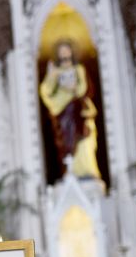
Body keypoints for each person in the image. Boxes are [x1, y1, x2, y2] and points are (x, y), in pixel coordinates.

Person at [39, 40, 102, 181]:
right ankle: (71, 171)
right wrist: (51, 76)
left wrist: (74, 87)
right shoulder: (55, 72)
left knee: (84, 142)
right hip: (63, 113)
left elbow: (83, 88)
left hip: (79, 111)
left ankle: (86, 170)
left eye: (66, 49)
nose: (64, 53)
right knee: (67, 144)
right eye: (61, 50)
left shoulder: (78, 69)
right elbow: (45, 91)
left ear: (71, 51)